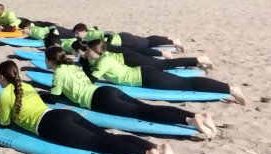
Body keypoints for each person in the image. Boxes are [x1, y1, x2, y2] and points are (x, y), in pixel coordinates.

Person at [0, 60, 181, 154]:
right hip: (62, 114)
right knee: (107, 137)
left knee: (97, 144)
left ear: (1, 77)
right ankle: (155, 147)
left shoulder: (4, 95)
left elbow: (4, 123)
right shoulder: (26, 87)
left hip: (51, 126)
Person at [42, 47, 217, 139]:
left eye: (46, 60)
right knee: (145, 107)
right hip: (106, 90)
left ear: (51, 60)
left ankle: (189, 120)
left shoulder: (58, 73)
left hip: (99, 99)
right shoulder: (72, 67)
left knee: (142, 112)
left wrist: (44, 95)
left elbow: (54, 97)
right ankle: (195, 115)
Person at [80, 42, 246, 104]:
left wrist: (83, 61)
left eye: (87, 51)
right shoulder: (103, 56)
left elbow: (90, 80)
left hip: (145, 77)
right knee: (181, 82)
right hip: (143, 74)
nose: (86, 53)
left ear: (96, 51)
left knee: (184, 84)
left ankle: (229, 89)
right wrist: (85, 59)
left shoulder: (103, 61)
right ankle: (226, 87)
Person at [78, 38, 213, 72]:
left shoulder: (96, 48)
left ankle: (199, 58)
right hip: (128, 57)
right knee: (160, 65)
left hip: (129, 58)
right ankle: (196, 63)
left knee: (161, 65)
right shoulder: (94, 47)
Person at [72, 23, 184, 53]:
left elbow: (109, 33)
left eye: (77, 33)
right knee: (146, 40)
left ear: (83, 30)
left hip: (124, 40)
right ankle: (168, 39)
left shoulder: (90, 34)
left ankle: (174, 41)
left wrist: (109, 44)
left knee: (147, 42)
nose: (77, 36)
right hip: (123, 39)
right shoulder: (88, 35)